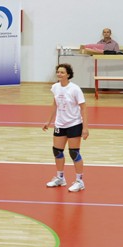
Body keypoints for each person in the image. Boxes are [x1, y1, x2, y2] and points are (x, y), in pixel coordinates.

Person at [43, 63, 89, 192]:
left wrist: (85, 128)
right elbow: (55, 104)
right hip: (60, 124)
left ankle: (79, 181)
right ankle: (60, 178)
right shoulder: (55, 87)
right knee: (57, 151)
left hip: (74, 124)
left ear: (68, 75)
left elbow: (83, 108)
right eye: (58, 72)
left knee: (74, 153)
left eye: (62, 72)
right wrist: (49, 121)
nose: (59, 74)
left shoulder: (75, 89)